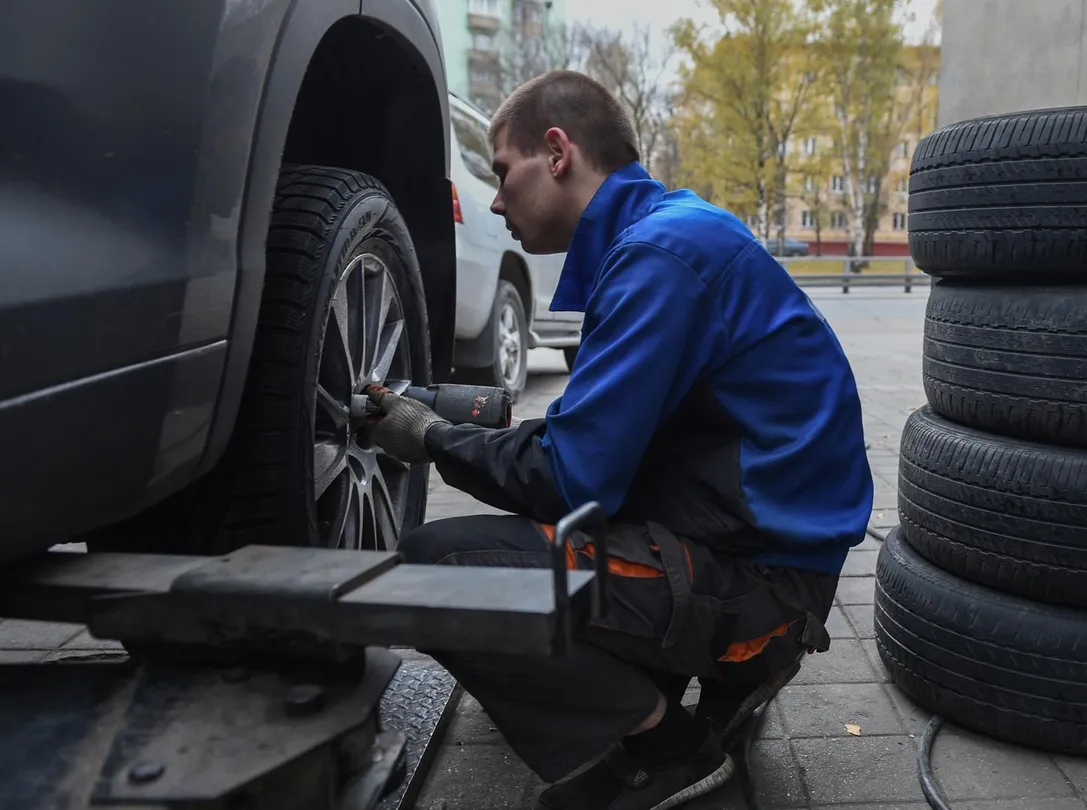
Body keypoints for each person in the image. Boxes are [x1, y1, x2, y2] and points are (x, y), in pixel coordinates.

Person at [366, 69, 873, 810]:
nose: (497, 200)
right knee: (544, 538)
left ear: (558, 150)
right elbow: (604, 441)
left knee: (432, 569)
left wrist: (435, 439)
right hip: (757, 547)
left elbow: (574, 478)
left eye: (503, 173)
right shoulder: (668, 233)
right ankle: (677, 686)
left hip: (763, 583)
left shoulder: (658, 258)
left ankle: (673, 753)